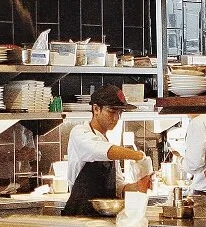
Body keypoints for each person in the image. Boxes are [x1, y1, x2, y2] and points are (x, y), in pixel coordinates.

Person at [62, 84, 153, 217]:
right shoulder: (80, 132)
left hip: (103, 216)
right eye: (111, 111)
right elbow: (97, 150)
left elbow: (117, 187)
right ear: (96, 109)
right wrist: (138, 156)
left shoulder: (108, 143)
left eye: (119, 113)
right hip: (79, 215)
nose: (116, 118)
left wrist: (137, 186)